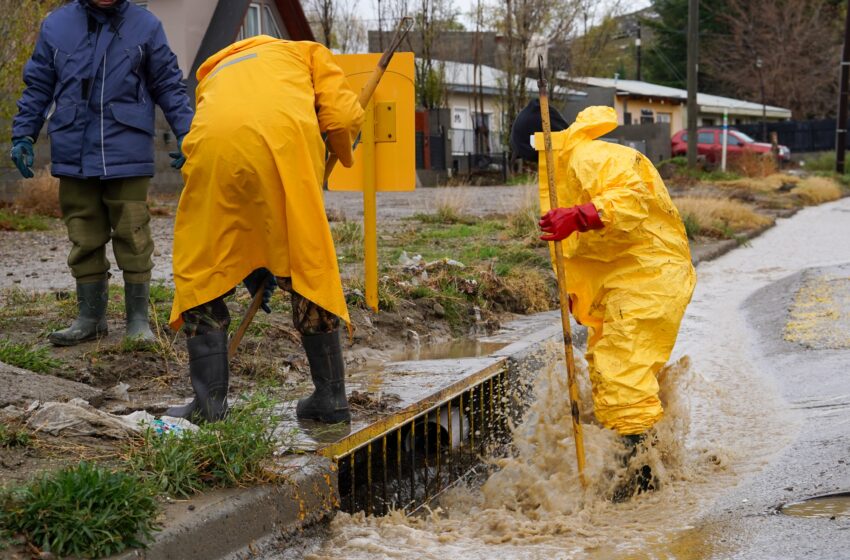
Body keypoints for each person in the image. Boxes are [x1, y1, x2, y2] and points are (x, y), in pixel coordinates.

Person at [165, 35, 364, 424]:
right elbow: (341, 118)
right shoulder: (306, 53)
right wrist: (341, 153)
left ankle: (210, 405)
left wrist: (254, 267)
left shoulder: (213, 72)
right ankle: (331, 397)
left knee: (202, 263)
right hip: (283, 152)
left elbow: (223, 143)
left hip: (211, 155)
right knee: (307, 260)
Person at [511, 102, 696, 500]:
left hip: (650, 275)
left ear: (540, 151)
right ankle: (652, 465)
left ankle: (643, 487)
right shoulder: (570, 172)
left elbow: (634, 198)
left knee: (621, 376)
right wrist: (580, 299)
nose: (530, 172)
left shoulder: (592, 157)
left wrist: (580, 215)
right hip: (629, 281)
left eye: (529, 163)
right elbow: (589, 254)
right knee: (610, 372)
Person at [10, 0, 193, 346]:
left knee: (133, 230)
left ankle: (138, 321)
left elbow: (168, 84)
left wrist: (187, 133)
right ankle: (90, 317)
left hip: (127, 147)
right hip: (73, 146)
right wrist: (23, 134)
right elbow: (38, 86)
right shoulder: (56, 26)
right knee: (83, 231)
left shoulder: (146, 25)